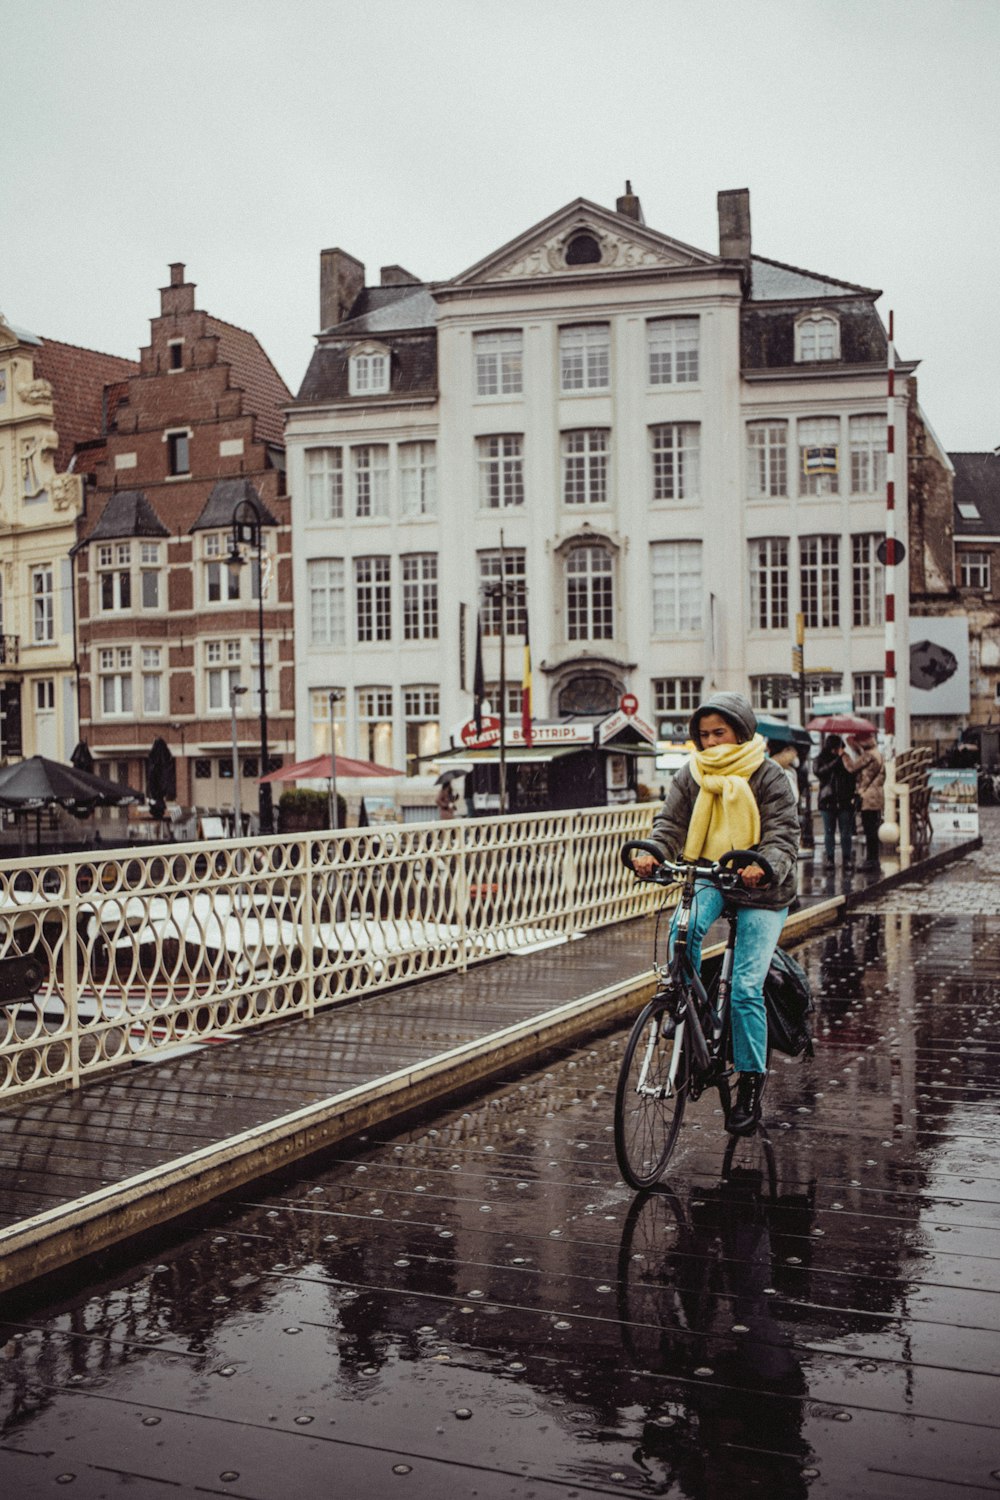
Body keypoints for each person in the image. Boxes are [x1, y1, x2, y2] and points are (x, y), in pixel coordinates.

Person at [629, 692, 799, 1135]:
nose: (709, 743)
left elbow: (784, 836)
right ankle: (683, 1008)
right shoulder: (693, 773)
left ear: (740, 732)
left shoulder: (770, 775)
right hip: (708, 872)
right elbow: (670, 824)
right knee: (681, 931)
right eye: (702, 735)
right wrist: (652, 852)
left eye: (718, 733)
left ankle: (750, 1081)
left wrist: (763, 867)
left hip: (762, 888)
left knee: (744, 987)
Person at [814, 735, 857, 869]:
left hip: (844, 801)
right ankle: (830, 858)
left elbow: (853, 775)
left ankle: (847, 858)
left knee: (846, 832)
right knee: (829, 831)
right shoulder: (820, 759)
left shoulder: (845, 759)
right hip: (828, 801)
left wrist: (844, 760)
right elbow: (819, 772)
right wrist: (836, 762)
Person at [845, 734, 885, 869]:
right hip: (877, 795)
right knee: (873, 828)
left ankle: (871, 861)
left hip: (868, 797)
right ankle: (874, 859)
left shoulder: (869, 756)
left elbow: (852, 768)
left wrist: (844, 755)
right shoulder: (878, 754)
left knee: (869, 829)